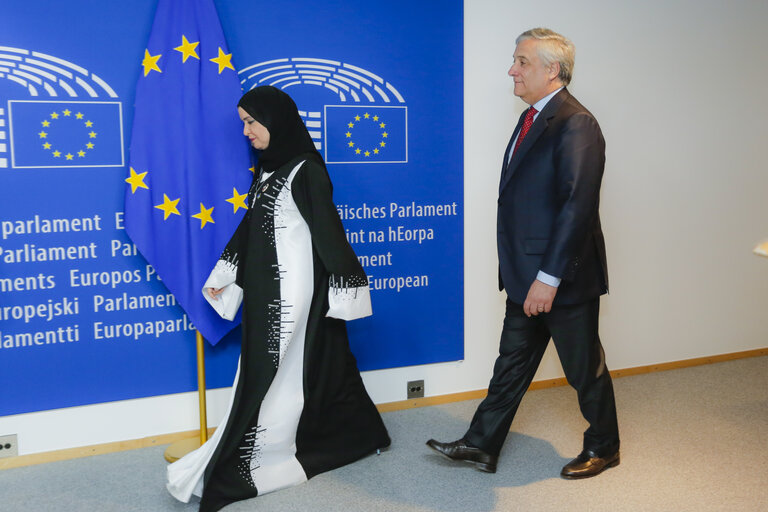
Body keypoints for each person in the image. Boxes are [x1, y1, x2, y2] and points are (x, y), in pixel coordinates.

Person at [166, 85, 390, 511]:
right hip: (269, 290)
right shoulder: (270, 169)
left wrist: (345, 290)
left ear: (275, 119)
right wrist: (226, 272)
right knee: (299, 370)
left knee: (280, 376)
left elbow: (329, 234)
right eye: (243, 123)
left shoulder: (307, 169)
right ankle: (360, 435)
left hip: (295, 295)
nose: (247, 131)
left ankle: (257, 461)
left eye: (252, 122)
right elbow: (251, 228)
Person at [427, 28, 620, 479]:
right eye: (515, 61)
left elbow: (577, 205)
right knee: (510, 364)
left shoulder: (576, 122)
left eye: (522, 62)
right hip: (523, 273)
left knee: (582, 369)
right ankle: (480, 444)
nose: (512, 70)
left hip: (560, 277)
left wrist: (547, 279)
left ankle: (605, 446)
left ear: (552, 71)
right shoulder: (533, 116)